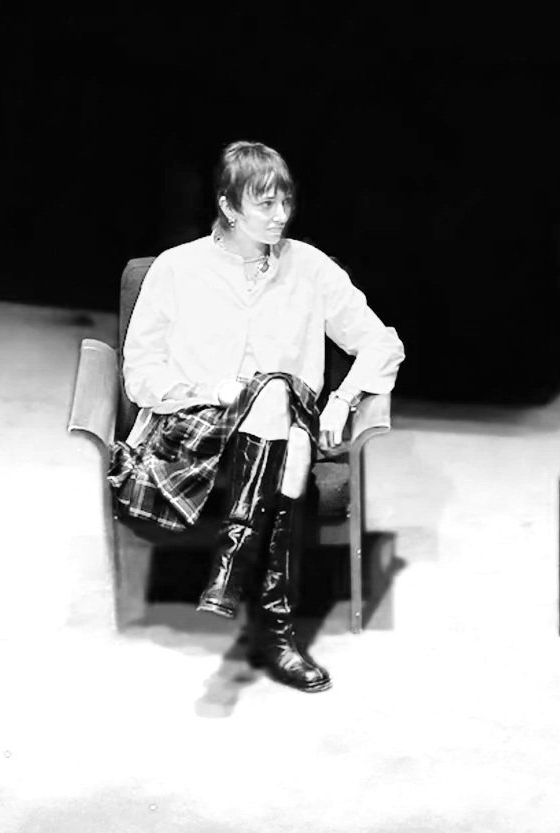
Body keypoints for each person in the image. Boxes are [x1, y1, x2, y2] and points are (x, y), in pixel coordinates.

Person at [112, 141, 404, 692]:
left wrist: (343, 398)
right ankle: (276, 631)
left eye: (285, 203)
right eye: (264, 204)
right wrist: (207, 390)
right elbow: (140, 372)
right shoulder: (177, 268)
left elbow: (381, 343)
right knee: (287, 433)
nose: (280, 216)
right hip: (194, 425)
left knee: (275, 399)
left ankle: (232, 577)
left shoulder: (310, 267)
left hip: (280, 422)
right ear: (228, 206)